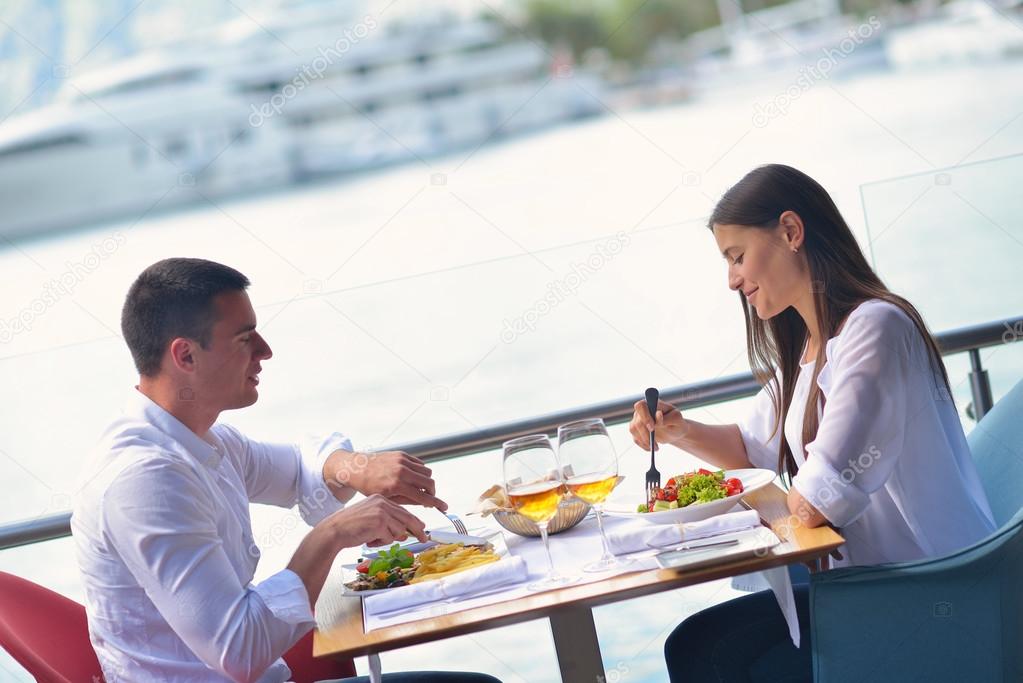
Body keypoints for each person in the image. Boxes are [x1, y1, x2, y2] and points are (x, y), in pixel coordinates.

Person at [629, 164, 995, 682]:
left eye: (737, 257)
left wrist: (756, 509)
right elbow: (749, 447)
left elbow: (817, 503)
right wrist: (677, 432)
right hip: (870, 581)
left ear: (791, 232)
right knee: (697, 642)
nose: (732, 279)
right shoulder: (810, 347)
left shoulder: (875, 328)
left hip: (928, 590)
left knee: (704, 648)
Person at [72, 258, 500, 683]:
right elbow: (240, 651)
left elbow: (297, 466)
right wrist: (331, 535)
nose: (265, 351)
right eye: (244, 339)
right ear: (185, 355)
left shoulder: (201, 441)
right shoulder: (146, 479)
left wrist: (358, 468)